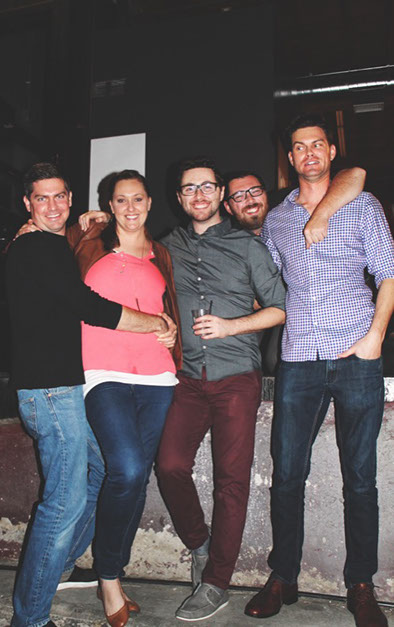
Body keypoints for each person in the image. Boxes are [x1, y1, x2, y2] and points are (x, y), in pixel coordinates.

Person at [244, 114, 394, 627]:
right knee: (287, 475)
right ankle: (283, 576)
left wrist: (375, 338)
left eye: (317, 145)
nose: (308, 153)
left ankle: (361, 585)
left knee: (360, 480)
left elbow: (389, 274)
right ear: (289, 157)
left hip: (356, 355)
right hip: (299, 359)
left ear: (331, 152)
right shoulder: (277, 220)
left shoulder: (362, 205)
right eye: (299, 146)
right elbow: (265, 282)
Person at [6, 163, 171, 627]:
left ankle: (52, 566)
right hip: (49, 391)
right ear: (27, 204)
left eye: (59, 196)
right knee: (64, 504)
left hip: (65, 387)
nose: (52, 205)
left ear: (71, 198)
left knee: (105, 469)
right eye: (41, 198)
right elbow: (89, 307)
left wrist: (94, 220)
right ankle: (30, 618)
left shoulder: (56, 244)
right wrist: (154, 323)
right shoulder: (35, 246)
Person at [154, 157, 286, 622]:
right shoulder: (164, 248)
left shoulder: (248, 246)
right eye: (189, 188)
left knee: (232, 482)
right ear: (179, 197)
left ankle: (216, 582)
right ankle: (199, 543)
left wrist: (231, 326)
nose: (199, 195)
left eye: (207, 187)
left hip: (236, 378)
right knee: (169, 465)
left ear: (220, 194)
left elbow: (280, 308)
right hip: (187, 378)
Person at [65, 170, 181, 627]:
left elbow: (166, 308)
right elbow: (46, 250)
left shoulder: (162, 254)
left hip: (157, 375)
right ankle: (108, 577)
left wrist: (171, 332)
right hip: (101, 371)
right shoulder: (89, 242)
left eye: (137, 199)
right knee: (127, 469)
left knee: (137, 478)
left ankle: (112, 572)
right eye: (121, 200)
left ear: (149, 203)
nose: (130, 207)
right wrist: (69, 223)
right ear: (109, 205)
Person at [222, 167, 366, 374]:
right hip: (268, 319)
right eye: (239, 196)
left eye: (255, 191)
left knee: (275, 358)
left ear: (265, 193)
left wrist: (322, 214)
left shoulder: (288, 209)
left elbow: (356, 175)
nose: (250, 200)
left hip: (325, 317)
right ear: (228, 206)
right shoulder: (228, 245)